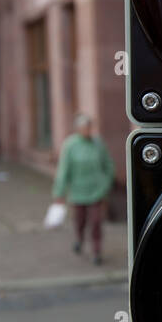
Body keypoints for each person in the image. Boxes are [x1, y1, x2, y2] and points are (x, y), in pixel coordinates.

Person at [52, 113, 114, 265]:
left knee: (96, 222)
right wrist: (59, 192)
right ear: (78, 129)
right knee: (80, 220)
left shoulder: (98, 144)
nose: (87, 131)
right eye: (84, 128)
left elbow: (109, 166)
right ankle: (79, 239)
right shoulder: (70, 145)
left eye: (89, 127)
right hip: (78, 190)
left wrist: (106, 184)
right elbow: (64, 170)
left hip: (96, 191)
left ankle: (96, 251)